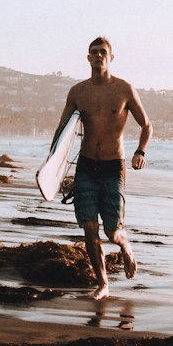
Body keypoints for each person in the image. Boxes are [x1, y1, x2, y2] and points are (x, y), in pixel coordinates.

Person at [50, 36, 152, 300]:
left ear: (111, 57)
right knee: (89, 228)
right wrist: (52, 166)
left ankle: (125, 245)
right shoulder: (77, 92)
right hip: (86, 166)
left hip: (112, 167)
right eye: (94, 52)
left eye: (103, 52)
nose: (98, 56)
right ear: (88, 57)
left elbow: (146, 126)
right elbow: (62, 130)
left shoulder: (124, 89)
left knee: (111, 231)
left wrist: (140, 151)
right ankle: (102, 284)